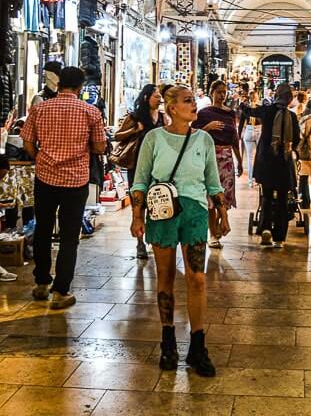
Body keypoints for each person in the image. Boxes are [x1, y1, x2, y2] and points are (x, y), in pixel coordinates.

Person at [130, 85, 229, 376]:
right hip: (162, 213)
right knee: (166, 277)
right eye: (188, 101)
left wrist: (221, 212)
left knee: (197, 279)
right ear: (172, 108)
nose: (194, 105)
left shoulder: (204, 140)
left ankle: (198, 346)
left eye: (194, 101)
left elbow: (213, 181)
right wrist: (137, 216)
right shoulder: (154, 138)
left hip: (196, 213)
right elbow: (140, 181)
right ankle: (168, 341)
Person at [21, 66, 106, 308]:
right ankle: (60, 291)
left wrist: (40, 157)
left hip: (45, 178)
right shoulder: (90, 112)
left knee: (43, 230)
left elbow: (27, 141)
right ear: (80, 87)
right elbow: (100, 147)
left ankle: (41, 283)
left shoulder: (40, 109)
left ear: (58, 84)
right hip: (75, 181)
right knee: (69, 237)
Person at [241, 83, 300, 248]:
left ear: (276, 95)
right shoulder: (292, 117)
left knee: (266, 197)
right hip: (283, 163)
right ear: (289, 99)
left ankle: (265, 228)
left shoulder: (266, 111)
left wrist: (242, 104)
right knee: (282, 200)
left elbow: (249, 112)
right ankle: (279, 238)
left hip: (266, 162)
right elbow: (296, 141)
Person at [115, 84, 164, 259]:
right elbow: (117, 136)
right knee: (139, 204)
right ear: (146, 98)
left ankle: (151, 238)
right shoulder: (135, 117)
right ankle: (140, 243)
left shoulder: (163, 118)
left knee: (155, 202)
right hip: (136, 166)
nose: (159, 99)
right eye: (156, 96)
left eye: (160, 96)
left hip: (157, 166)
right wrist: (135, 129)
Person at [193, 80, 242, 247]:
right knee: (211, 198)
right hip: (209, 156)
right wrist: (208, 127)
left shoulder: (230, 114)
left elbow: (234, 138)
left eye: (224, 92)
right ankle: (212, 234)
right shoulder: (204, 113)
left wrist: (240, 160)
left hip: (227, 157)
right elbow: (193, 135)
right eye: (219, 92)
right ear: (211, 92)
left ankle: (220, 224)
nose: (222, 95)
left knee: (226, 195)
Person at [238, 90, 262, 187]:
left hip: (248, 130)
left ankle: (250, 180)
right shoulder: (260, 109)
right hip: (259, 130)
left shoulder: (246, 109)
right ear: (257, 97)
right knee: (260, 156)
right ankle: (258, 179)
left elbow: (241, 123)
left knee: (250, 158)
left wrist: (239, 135)